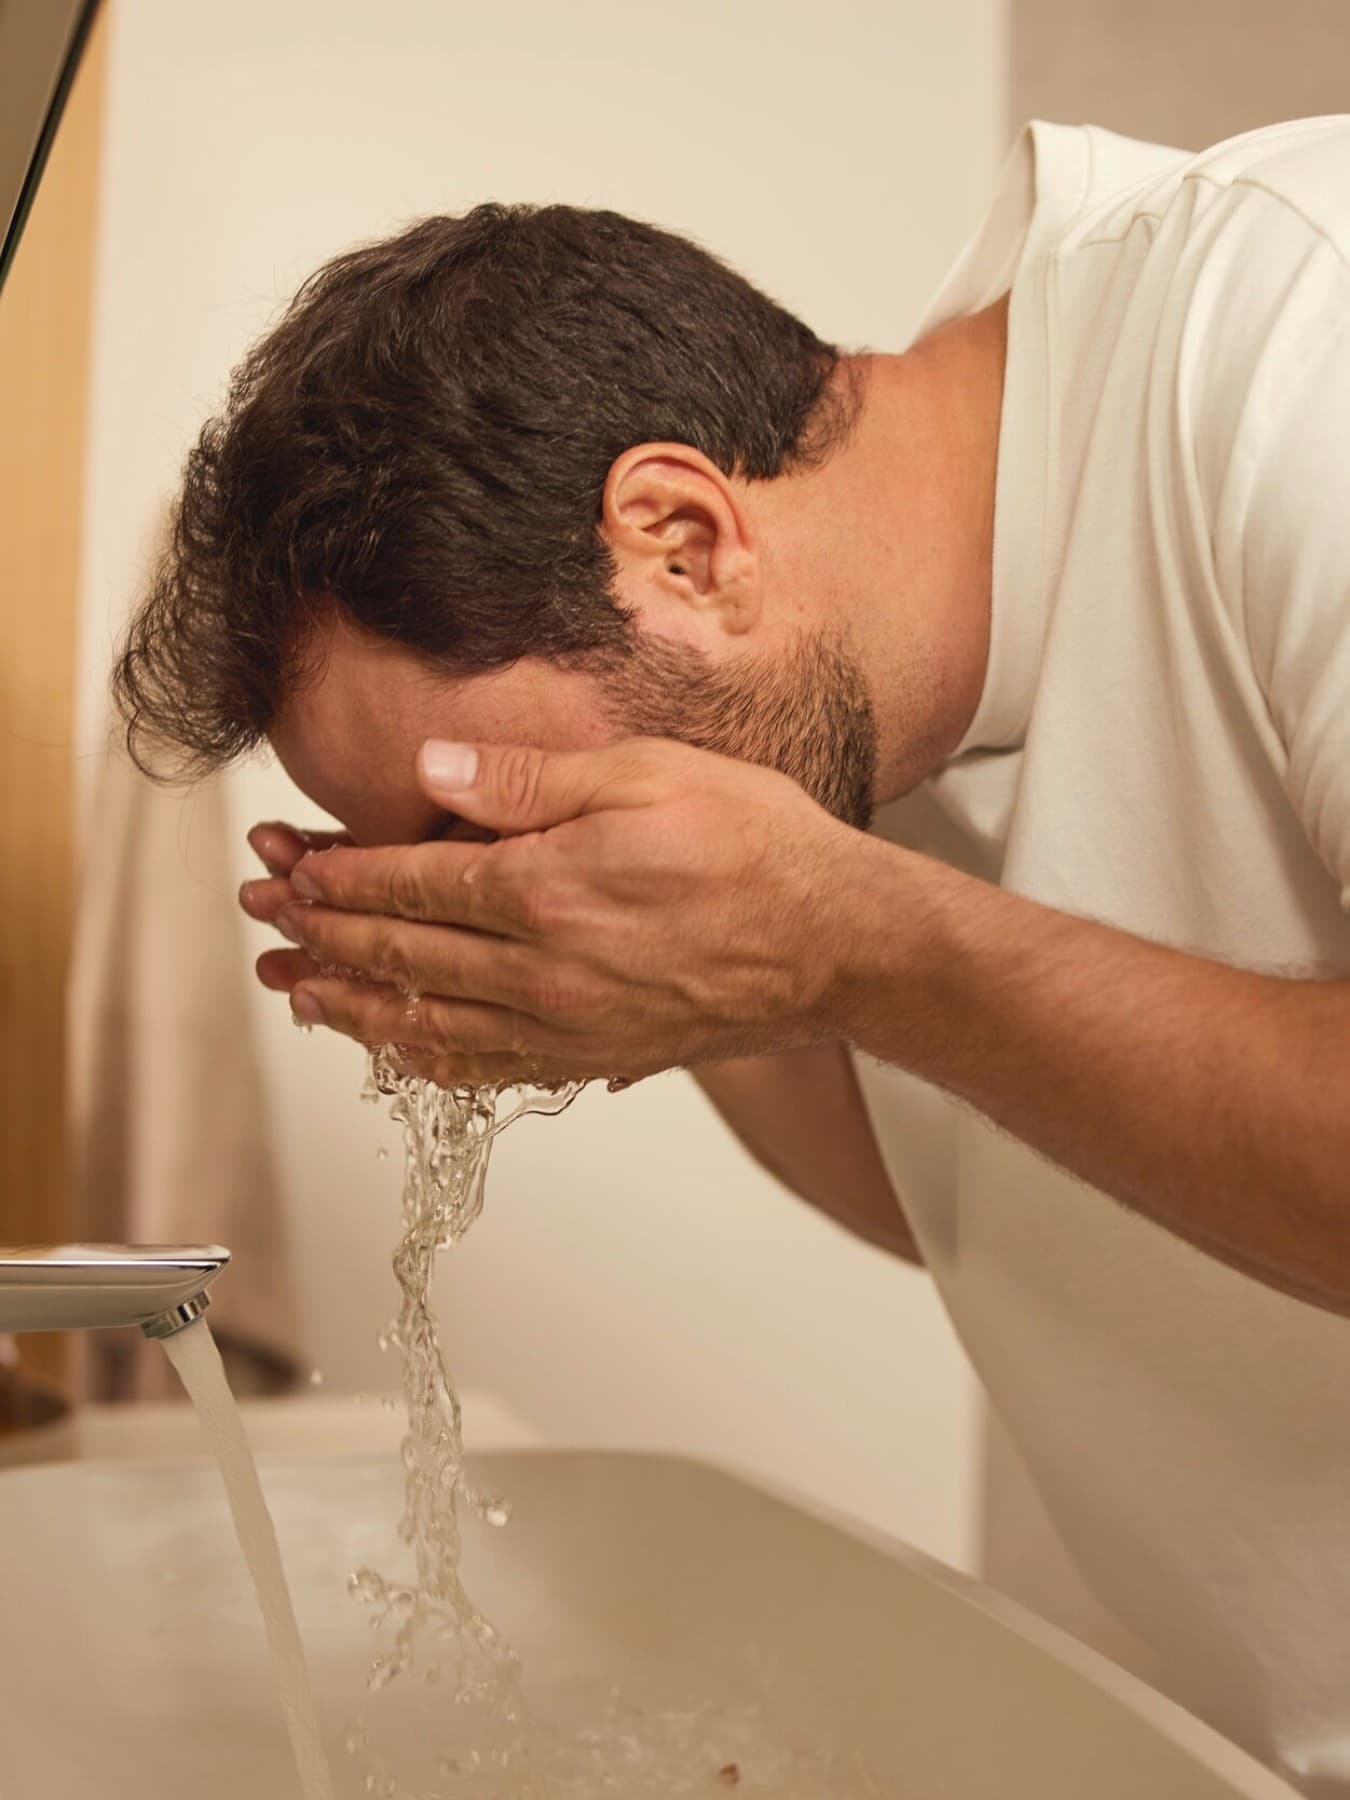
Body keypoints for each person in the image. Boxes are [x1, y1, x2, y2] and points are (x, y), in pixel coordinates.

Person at [114, 115, 1350, 1791]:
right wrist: (678, 992)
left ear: (681, 543)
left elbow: (906, 981)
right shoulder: (853, 694)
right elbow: (987, 1213)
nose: (498, 882)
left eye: (483, 821)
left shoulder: (1292, 330)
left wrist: (854, 946)